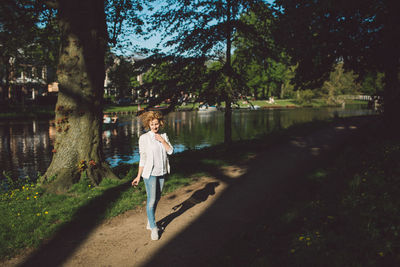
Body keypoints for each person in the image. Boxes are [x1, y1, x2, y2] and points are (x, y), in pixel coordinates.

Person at [131, 111, 173, 240]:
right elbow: (143, 158)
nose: (155, 126)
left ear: (160, 124)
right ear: (148, 124)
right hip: (149, 174)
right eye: (152, 124)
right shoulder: (144, 138)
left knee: (157, 198)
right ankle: (154, 228)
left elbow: (170, 151)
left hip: (162, 172)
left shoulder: (164, 136)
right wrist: (138, 176)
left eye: (157, 124)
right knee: (152, 200)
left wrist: (162, 140)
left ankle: (150, 221)